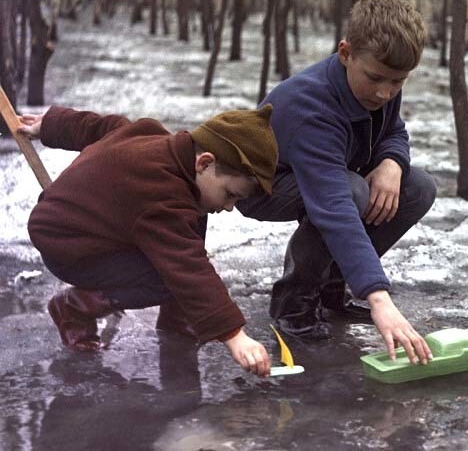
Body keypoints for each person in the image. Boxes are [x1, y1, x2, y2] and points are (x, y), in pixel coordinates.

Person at [237, 0, 437, 365]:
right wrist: (379, 298)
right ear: (345, 53)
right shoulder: (311, 105)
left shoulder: (382, 81)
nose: (385, 92)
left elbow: (393, 131)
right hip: (263, 187)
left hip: (333, 176)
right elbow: (334, 207)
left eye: (397, 81)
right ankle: (293, 303)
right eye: (376, 78)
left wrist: (392, 162)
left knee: (418, 187)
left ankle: (329, 288)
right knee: (351, 191)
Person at [19, 104, 277, 377]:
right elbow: (187, 267)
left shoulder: (152, 135)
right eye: (230, 194)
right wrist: (234, 334)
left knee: (188, 225)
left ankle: (177, 321)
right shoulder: (163, 195)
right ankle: (74, 308)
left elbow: (103, 127)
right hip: (70, 245)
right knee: (169, 274)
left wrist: (50, 125)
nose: (229, 207)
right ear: (204, 162)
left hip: (91, 226)